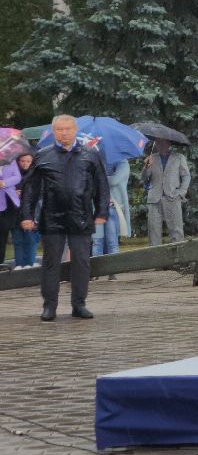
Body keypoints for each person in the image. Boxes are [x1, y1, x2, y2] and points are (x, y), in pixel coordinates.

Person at [19, 115, 109, 321]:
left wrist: (102, 211)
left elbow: (101, 185)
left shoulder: (90, 154)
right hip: (52, 218)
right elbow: (30, 189)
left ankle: (79, 304)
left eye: (67, 129)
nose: (64, 133)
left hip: (81, 216)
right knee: (51, 263)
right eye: (59, 129)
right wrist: (27, 215)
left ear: (75, 129)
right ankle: (49, 306)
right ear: (54, 132)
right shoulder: (43, 155)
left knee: (82, 263)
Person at [144, 138, 190, 246]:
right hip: (154, 200)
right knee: (153, 233)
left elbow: (186, 176)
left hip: (173, 198)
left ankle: (178, 260)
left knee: (176, 233)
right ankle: (156, 260)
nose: (160, 144)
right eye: (158, 142)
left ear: (169, 143)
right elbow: (145, 178)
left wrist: (181, 192)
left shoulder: (179, 157)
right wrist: (146, 167)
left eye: (162, 142)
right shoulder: (151, 158)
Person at [92, 157, 129, 257]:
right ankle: (98, 271)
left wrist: (98, 176)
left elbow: (114, 180)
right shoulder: (96, 161)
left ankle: (114, 270)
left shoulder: (123, 162)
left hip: (113, 207)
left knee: (112, 242)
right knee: (97, 242)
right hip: (97, 208)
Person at [10, 152, 39, 269]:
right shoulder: (12, 173)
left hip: (31, 213)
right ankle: (19, 264)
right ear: (18, 161)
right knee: (18, 240)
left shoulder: (36, 175)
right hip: (15, 212)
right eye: (22, 161)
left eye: (28, 161)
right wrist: (13, 193)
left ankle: (30, 263)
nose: (25, 164)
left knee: (31, 240)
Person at [0, 157, 22, 268]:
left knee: (3, 234)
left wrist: (4, 183)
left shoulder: (10, 160)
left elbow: (17, 177)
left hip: (7, 204)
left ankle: (0, 263)